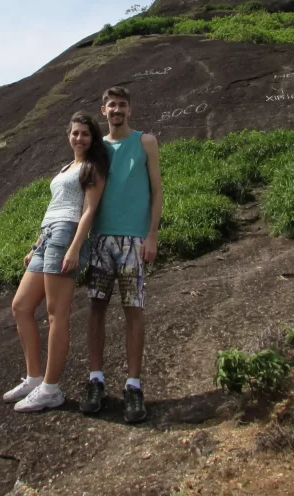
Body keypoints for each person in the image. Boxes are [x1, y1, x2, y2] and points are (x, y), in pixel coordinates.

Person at [5, 112, 110, 412]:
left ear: (93, 138)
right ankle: (34, 377)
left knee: (55, 314)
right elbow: (54, 205)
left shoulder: (93, 167)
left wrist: (75, 247)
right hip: (47, 236)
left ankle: (51, 388)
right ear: (69, 135)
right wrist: (35, 245)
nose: (79, 138)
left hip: (67, 235)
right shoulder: (67, 167)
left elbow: (88, 210)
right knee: (21, 307)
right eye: (75, 133)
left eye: (85, 134)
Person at [79, 86, 163, 424]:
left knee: (134, 310)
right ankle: (96, 380)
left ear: (130, 109)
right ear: (103, 110)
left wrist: (152, 234)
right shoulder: (96, 149)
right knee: (96, 308)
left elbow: (157, 189)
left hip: (132, 240)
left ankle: (133, 386)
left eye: (123, 105)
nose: (117, 110)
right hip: (100, 238)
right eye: (112, 105)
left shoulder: (146, 142)